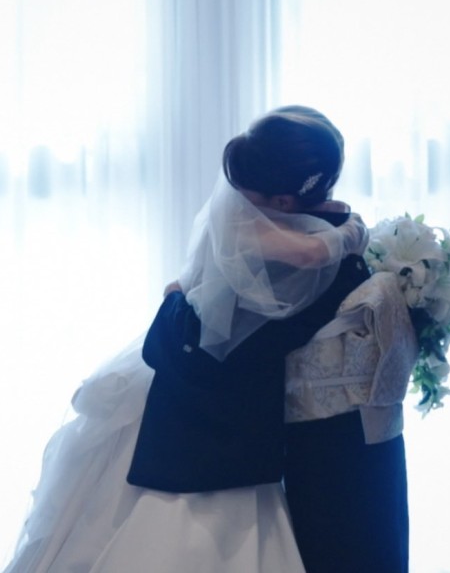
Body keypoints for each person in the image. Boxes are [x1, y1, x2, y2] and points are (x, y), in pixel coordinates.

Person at [3, 105, 370, 573]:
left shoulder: (290, 252)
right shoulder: (328, 241)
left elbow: (200, 351)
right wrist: (349, 231)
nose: (235, 199)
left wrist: (174, 297)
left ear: (282, 200)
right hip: (222, 429)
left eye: (247, 190)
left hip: (205, 437)